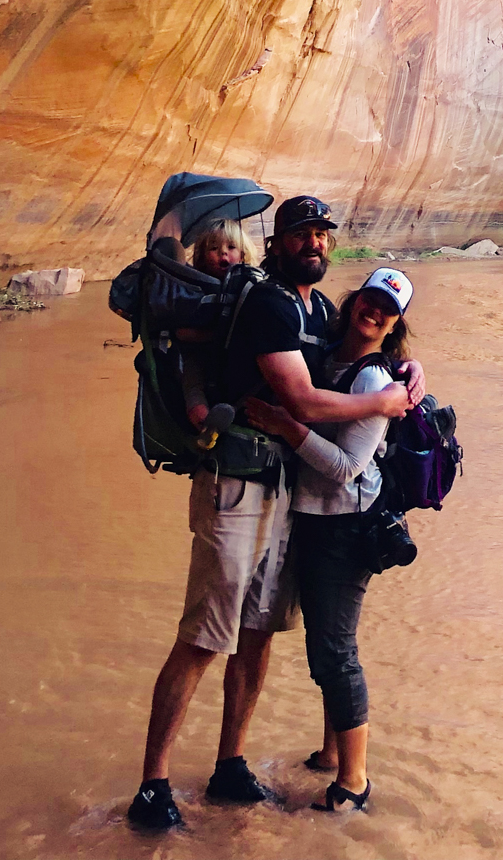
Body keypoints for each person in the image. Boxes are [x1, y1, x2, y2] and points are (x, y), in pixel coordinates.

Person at [127, 196, 424, 831]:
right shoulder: (266, 302)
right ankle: (152, 784)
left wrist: (404, 370)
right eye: (301, 235)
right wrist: (385, 405)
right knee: (205, 634)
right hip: (233, 482)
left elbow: (355, 359)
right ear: (278, 241)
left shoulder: (316, 309)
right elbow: (302, 400)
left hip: (282, 490)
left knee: (258, 631)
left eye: (322, 235)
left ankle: (230, 763)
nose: (314, 244)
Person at [245, 267, 417, 813]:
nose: (375, 311)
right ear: (353, 302)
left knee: (335, 653)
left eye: (387, 310)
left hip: (346, 526)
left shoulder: (370, 380)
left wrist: (284, 426)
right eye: (370, 299)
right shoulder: (327, 358)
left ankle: (355, 782)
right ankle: (329, 754)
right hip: (320, 520)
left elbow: (345, 467)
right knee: (327, 645)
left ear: (393, 326)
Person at [177, 218, 259, 431]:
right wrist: (221, 335)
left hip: (237, 355)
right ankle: (202, 420)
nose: (223, 253)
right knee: (193, 379)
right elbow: (182, 334)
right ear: (203, 258)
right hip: (200, 352)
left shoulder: (253, 287)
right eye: (214, 249)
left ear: (243, 254)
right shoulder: (195, 289)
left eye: (231, 248)